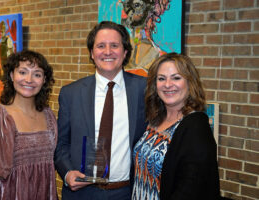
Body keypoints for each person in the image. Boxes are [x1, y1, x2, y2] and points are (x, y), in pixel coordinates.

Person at [54, 21, 147, 200]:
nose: (107, 52)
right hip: (82, 193)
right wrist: (66, 173)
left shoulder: (144, 89)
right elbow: (61, 144)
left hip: (127, 193)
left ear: (125, 51)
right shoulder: (71, 93)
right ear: (91, 52)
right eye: (100, 46)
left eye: (114, 45)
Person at [0, 50, 58, 200]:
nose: (29, 79)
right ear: (11, 75)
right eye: (22, 72)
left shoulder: (48, 116)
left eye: (37, 74)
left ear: (44, 80)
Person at [132, 53, 220, 200]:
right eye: (161, 78)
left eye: (176, 78)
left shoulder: (195, 127)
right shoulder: (154, 119)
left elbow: (191, 188)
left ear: (190, 82)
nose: (167, 84)